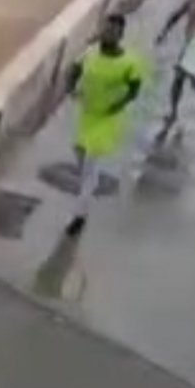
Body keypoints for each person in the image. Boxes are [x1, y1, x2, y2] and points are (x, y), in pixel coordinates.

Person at [64, 13, 145, 237]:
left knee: (91, 165)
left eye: (112, 30)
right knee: (80, 155)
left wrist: (119, 104)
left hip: (108, 120)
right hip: (87, 114)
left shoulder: (129, 62)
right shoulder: (91, 52)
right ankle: (86, 191)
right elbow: (74, 69)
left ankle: (79, 216)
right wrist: (70, 89)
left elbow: (134, 89)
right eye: (105, 29)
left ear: (120, 34)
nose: (107, 33)